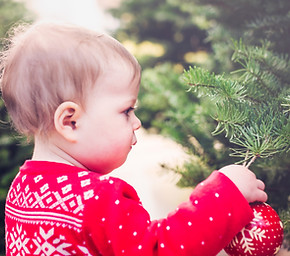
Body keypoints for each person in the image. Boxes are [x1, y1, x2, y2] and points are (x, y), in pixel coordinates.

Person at [1, 22, 267, 256]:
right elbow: (160, 249)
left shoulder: (21, 192)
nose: (136, 123)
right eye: (127, 110)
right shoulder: (97, 199)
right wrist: (226, 194)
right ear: (71, 121)